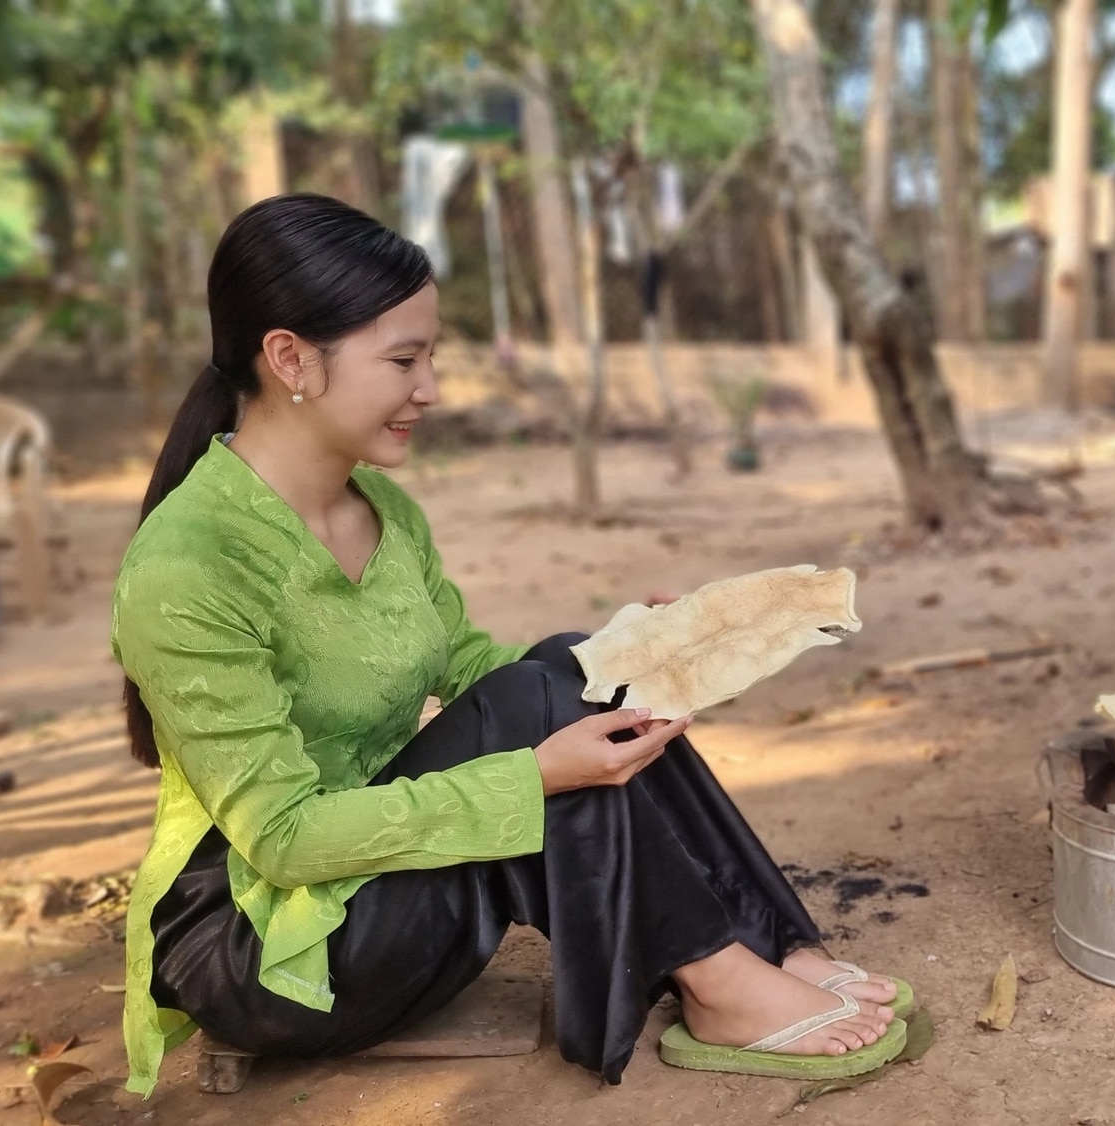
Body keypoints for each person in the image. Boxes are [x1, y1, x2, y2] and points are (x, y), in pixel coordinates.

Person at [112, 195, 909, 1096]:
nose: (432, 389)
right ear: (291, 357)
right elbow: (286, 841)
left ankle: (760, 944)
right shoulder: (189, 567)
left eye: (432, 356)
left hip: (382, 891)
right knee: (542, 709)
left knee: (573, 662)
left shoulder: (382, 511)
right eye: (404, 359)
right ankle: (721, 983)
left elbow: (484, 674)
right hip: (272, 951)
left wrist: (636, 647)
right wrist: (535, 776)